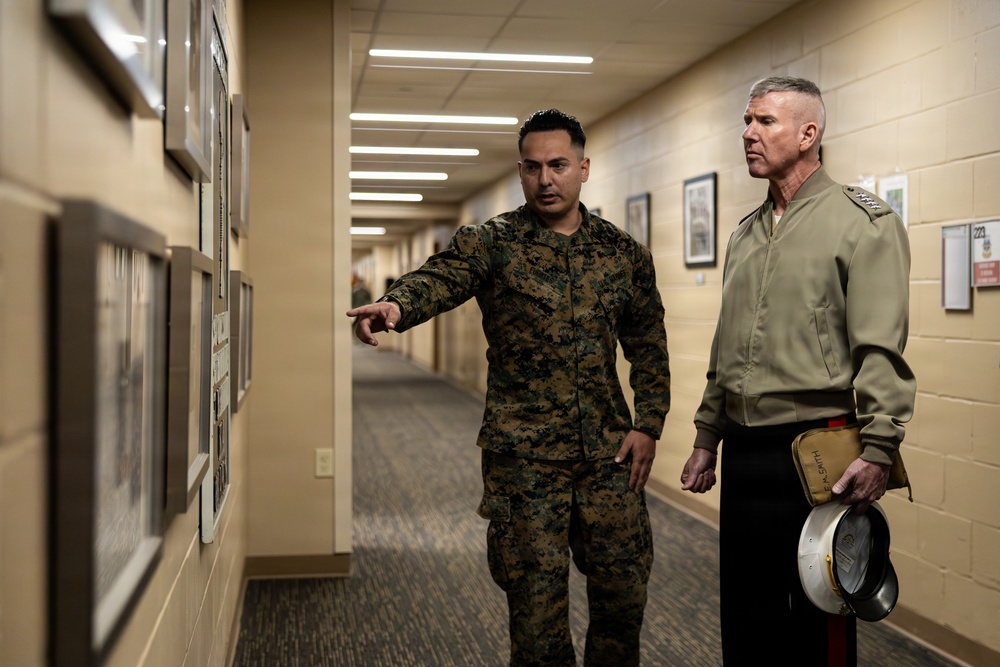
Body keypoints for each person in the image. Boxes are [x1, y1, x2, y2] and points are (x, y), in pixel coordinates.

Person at [347, 109, 671, 666]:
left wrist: (649, 424)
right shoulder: (491, 243)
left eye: (558, 165)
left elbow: (647, 342)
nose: (546, 179)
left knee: (622, 605)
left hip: (608, 458)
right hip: (525, 462)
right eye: (533, 166)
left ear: (583, 168)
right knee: (537, 622)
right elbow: (440, 278)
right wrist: (397, 305)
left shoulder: (622, 255)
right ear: (520, 171)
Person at [680, 76, 915, 666]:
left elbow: (880, 349)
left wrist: (880, 446)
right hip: (744, 448)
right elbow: (726, 345)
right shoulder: (745, 233)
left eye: (765, 122)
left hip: (818, 450)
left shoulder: (863, 222)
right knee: (746, 608)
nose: (748, 134)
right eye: (747, 121)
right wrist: (708, 435)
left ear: (809, 133)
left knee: (817, 616)